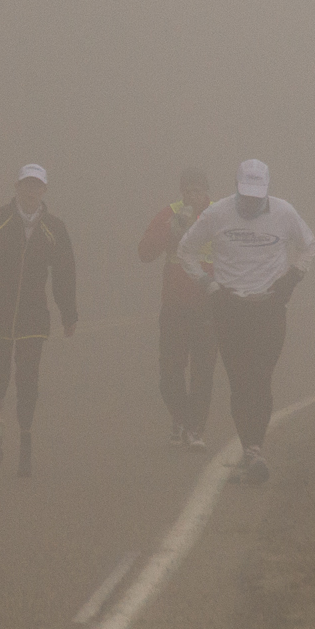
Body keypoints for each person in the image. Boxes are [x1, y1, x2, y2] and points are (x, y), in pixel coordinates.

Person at [176, 159, 315, 485]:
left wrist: (293, 276)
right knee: (239, 381)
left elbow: (309, 245)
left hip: (269, 306)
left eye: (258, 195)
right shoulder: (217, 214)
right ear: (237, 187)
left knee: (260, 377)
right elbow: (186, 250)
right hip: (230, 308)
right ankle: (252, 450)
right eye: (246, 194)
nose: (251, 202)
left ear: (266, 190)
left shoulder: (284, 213)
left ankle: (253, 449)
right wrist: (209, 285)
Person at [0, 164, 78, 478]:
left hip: (32, 314)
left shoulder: (54, 228)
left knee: (28, 377)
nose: (32, 192)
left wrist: (68, 313)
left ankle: (26, 442)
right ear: (17, 187)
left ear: (44, 191)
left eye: (38, 186)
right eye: (27, 186)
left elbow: (64, 274)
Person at [138, 167, 217, 449]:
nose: (191, 196)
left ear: (206, 192)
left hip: (209, 307)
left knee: (203, 371)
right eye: (187, 191)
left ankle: (194, 429)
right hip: (174, 306)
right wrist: (171, 231)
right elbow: (144, 253)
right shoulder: (170, 213)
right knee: (170, 372)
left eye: (197, 190)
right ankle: (180, 417)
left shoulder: (219, 215)